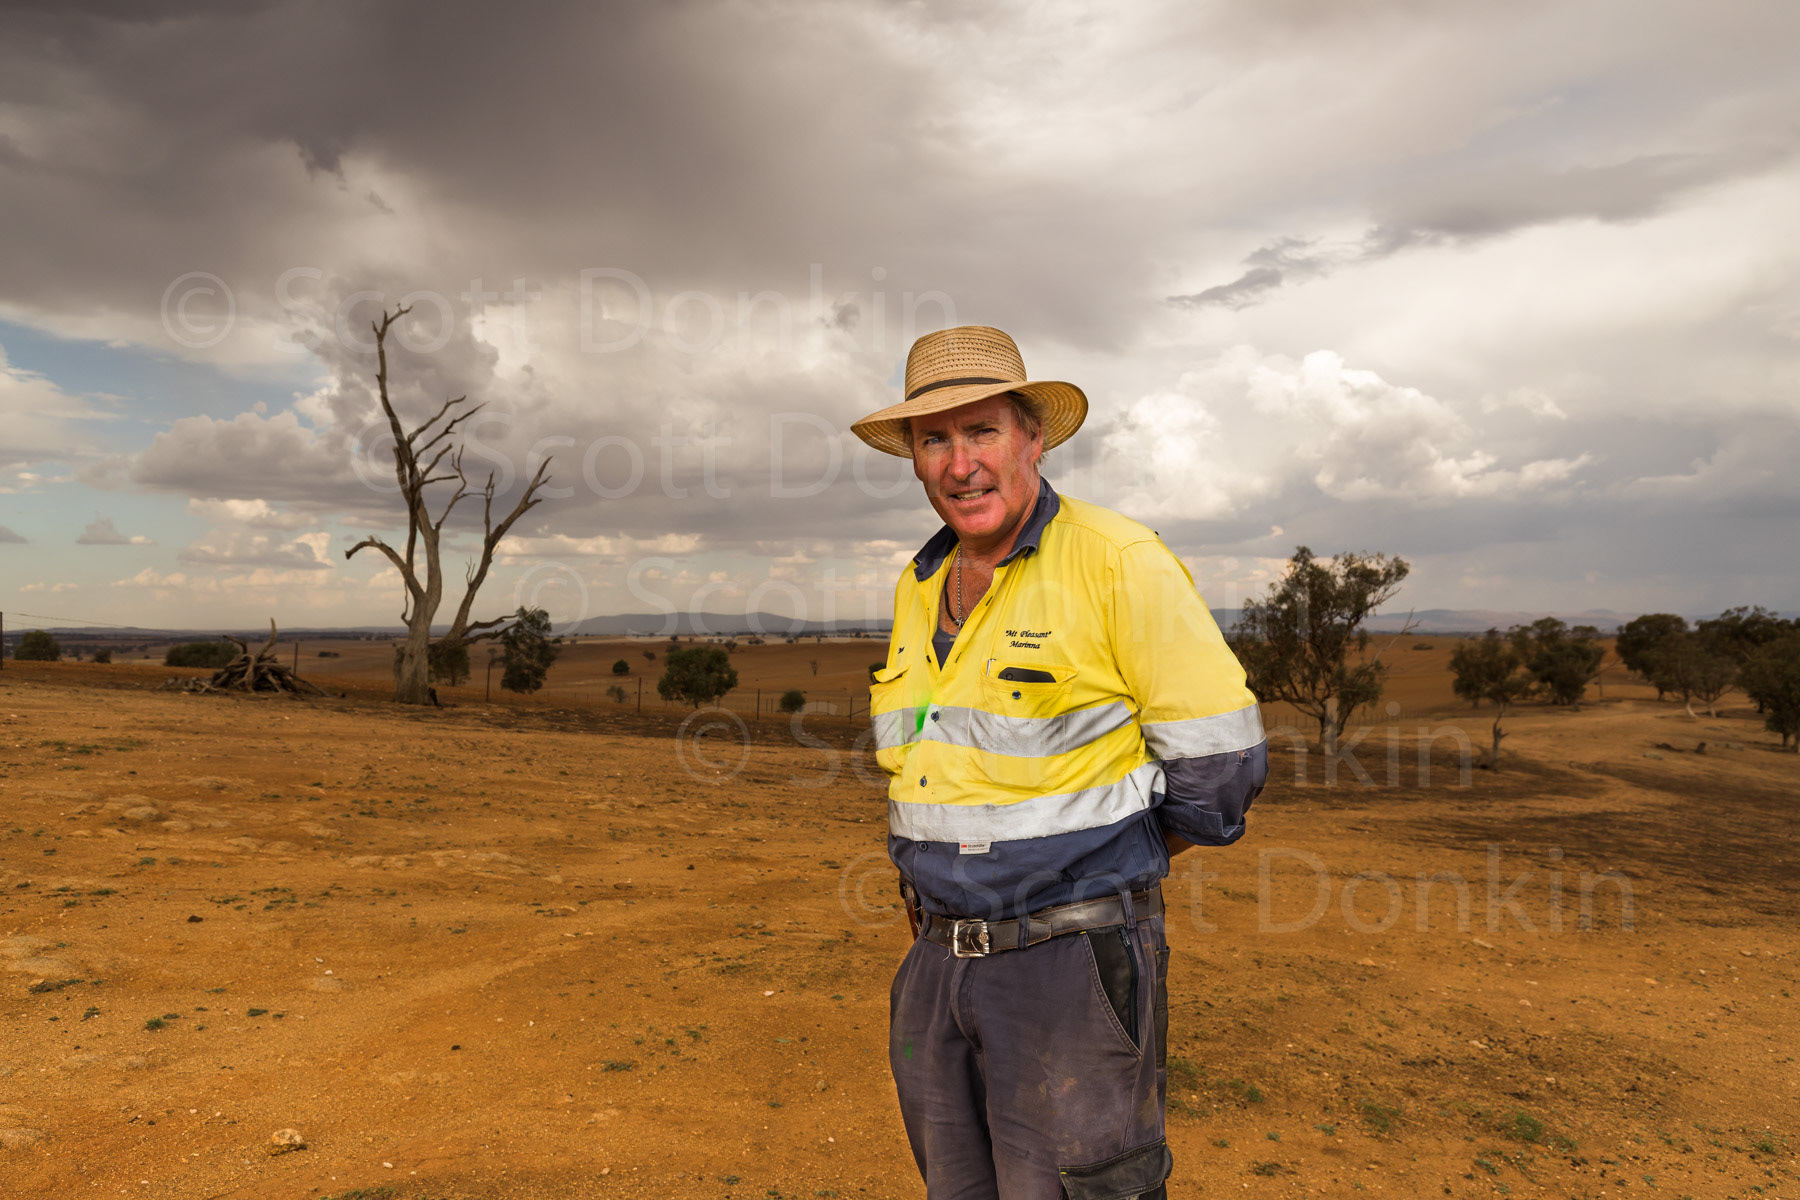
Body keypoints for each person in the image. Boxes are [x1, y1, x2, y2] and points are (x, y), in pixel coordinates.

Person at [852, 325, 1268, 1200]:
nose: (960, 463)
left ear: (1032, 439)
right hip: (934, 962)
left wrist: (1103, 870)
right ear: (916, 461)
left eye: (982, 432)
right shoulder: (919, 584)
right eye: (935, 439)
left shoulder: (1118, 560)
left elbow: (1220, 767)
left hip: (1068, 964)